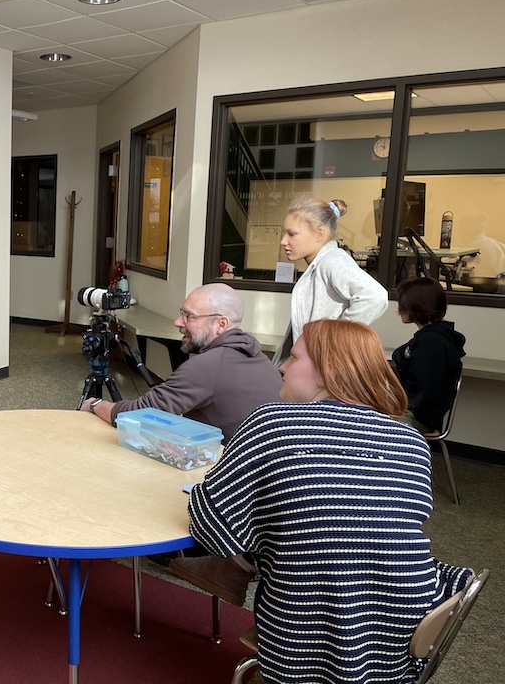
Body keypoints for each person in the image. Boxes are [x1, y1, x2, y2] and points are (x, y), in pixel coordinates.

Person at [185, 319, 472, 684]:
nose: (281, 367)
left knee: (270, 523)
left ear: (329, 371)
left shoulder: (271, 423)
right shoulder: (411, 441)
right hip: (404, 623)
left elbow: (210, 531)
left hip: (308, 629)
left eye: (293, 357)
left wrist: (210, 484)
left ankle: (236, 571)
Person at [81, 283, 283, 444]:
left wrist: (96, 404)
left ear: (221, 324)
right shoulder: (261, 360)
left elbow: (141, 414)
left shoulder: (207, 366)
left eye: (189, 316)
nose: (178, 322)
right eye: (181, 313)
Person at [276, 197, 388, 359]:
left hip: (320, 365)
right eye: (284, 234)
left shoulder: (332, 261)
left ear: (319, 234)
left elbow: (375, 296)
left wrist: (334, 340)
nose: (283, 241)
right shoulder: (323, 262)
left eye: (292, 234)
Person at [393, 277, 466, 433]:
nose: (399, 310)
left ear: (416, 306)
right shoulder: (435, 338)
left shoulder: (432, 344)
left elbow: (421, 394)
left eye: (402, 304)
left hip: (417, 417)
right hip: (416, 411)